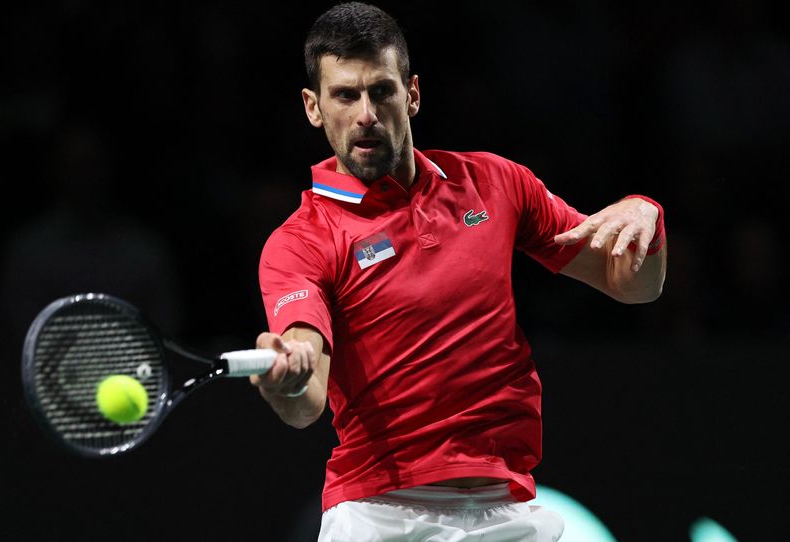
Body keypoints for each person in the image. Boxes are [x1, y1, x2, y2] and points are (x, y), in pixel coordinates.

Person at [250, 3, 667, 541]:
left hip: (507, 508)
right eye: (345, 95)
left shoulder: (495, 184)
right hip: (381, 513)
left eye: (382, 91)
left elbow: (632, 285)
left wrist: (645, 214)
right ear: (313, 107)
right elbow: (306, 402)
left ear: (413, 94)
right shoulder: (301, 241)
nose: (366, 114)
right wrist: (286, 381)